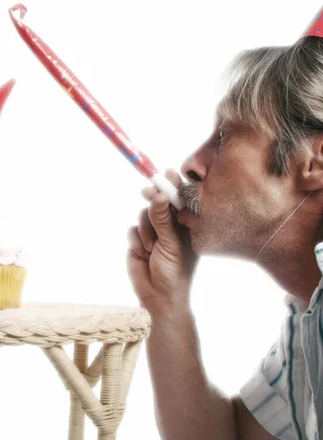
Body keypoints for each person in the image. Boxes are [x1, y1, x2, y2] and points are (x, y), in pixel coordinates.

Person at [128, 10, 323, 440]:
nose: (191, 166)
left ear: (315, 161)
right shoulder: (309, 312)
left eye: (224, 136)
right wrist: (166, 303)